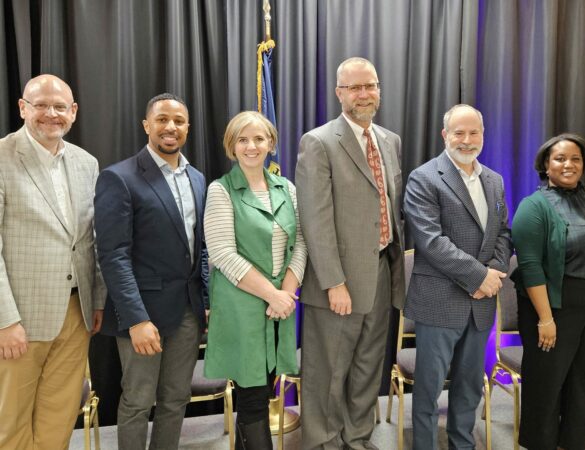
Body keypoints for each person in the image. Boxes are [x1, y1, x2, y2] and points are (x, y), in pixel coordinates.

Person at [295, 56, 405, 449]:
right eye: (355, 87)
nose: (363, 94)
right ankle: (324, 442)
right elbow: (315, 219)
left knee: (367, 367)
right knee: (328, 372)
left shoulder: (389, 140)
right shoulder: (319, 142)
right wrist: (333, 282)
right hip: (337, 282)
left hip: (379, 271)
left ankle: (357, 438)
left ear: (379, 89)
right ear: (340, 93)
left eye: (370, 85)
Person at [94, 93, 207, 449]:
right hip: (143, 315)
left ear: (188, 127)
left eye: (178, 120)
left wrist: (206, 300)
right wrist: (136, 319)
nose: (170, 127)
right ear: (147, 125)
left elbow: (200, 248)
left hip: (188, 312)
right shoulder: (120, 177)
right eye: (162, 120)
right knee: (138, 401)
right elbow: (113, 255)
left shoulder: (198, 178)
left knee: (175, 400)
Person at [0, 74, 105, 449]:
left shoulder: (86, 163)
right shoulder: (2, 157)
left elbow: (92, 239)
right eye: (41, 104)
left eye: (60, 106)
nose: (51, 114)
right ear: (22, 108)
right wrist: (5, 320)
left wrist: (97, 300)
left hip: (76, 313)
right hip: (19, 322)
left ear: (73, 112)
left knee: (58, 420)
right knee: (10, 424)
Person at [403, 104, 512, 449]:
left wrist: (493, 274)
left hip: (480, 305)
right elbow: (431, 241)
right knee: (428, 390)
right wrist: (481, 277)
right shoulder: (424, 177)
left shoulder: (494, 180)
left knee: (469, 387)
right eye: (459, 133)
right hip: (439, 301)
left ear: (483, 134)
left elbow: (503, 234)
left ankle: (461, 444)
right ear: (444, 135)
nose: (467, 140)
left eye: (474, 132)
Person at [511, 133, 585, 450]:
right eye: (560, 158)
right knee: (546, 387)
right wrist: (546, 318)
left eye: (575, 159)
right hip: (553, 309)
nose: (568, 164)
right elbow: (531, 265)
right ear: (546, 165)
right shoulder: (533, 207)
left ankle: (573, 444)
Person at [203, 111, 307, 449]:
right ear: (231, 146)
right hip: (244, 307)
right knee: (252, 398)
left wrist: (287, 295)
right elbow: (222, 254)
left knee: (265, 389)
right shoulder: (220, 191)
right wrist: (272, 296)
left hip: (280, 308)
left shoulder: (286, 188)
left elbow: (301, 242)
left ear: (271, 144)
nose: (251, 146)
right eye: (243, 140)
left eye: (259, 139)